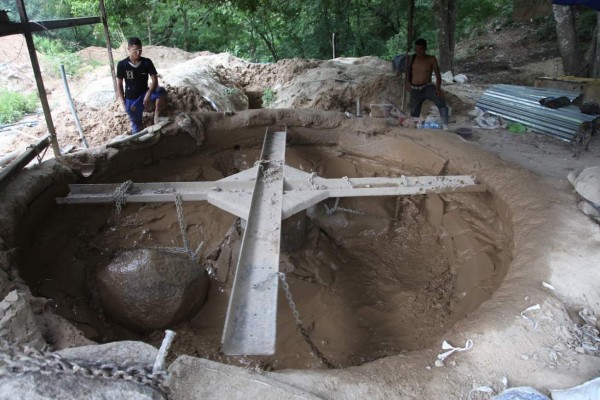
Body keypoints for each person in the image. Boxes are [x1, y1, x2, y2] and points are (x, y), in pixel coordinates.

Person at [116, 37, 166, 134]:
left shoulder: (146, 62)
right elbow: (119, 85)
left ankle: (156, 116)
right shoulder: (122, 64)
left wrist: (148, 93)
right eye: (135, 50)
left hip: (144, 93)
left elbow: (155, 80)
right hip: (131, 98)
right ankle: (137, 131)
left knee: (160, 91)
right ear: (129, 49)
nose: (138, 53)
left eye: (140, 50)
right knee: (136, 127)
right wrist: (123, 102)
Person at [406, 38, 449, 130]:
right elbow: (408, 71)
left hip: (427, 87)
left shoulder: (431, 59)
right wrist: (408, 82)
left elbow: (438, 75)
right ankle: (414, 125)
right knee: (414, 110)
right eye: (416, 49)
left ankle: (445, 124)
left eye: (420, 49)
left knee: (440, 99)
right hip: (414, 88)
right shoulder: (412, 58)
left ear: (425, 48)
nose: (418, 52)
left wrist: (437, 89)